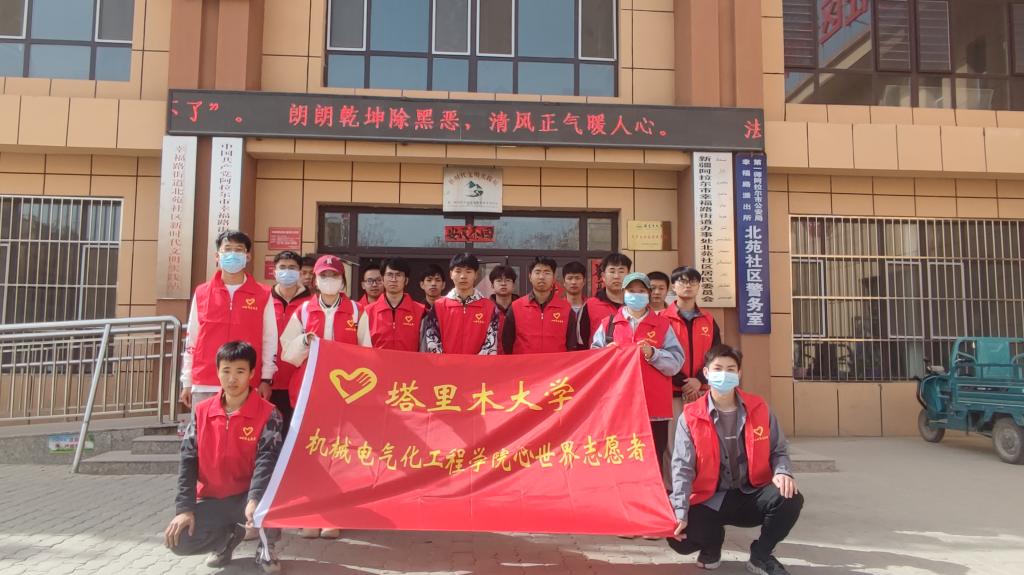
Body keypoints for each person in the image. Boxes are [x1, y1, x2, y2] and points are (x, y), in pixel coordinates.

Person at [668, 345, 802, 575]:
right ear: (706, 373)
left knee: (789, 497)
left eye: (730, 369)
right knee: (677, 537)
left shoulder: (759, 407)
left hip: (750, 493)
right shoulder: (690, 416)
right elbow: (682, 467)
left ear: (739, 373)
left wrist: (782, 471)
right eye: (718, 368)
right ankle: (711, 545)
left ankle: (761, 555)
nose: (724, 374)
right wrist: (679, 510)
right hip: (710, 498)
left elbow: (779, 449)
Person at [164, 341, 284, 573]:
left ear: (251, 373)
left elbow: (267, 461)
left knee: (271, 500)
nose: (232, 379)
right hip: (213, 498)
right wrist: (184, 509)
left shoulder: (269, 414)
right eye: (226, 371)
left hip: (249, 497)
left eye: (240, 371)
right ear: (217, 372)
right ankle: (226, 539)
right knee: (179, 539)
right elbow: (188, 460)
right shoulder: (202, 412)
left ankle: (266, 546)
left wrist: (255, 499)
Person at [279, 255, 360, 540]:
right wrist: (304, 341)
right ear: (315, 280)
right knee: (309, 454)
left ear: (342, 280)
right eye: (324, 275)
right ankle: (310, 514)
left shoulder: (356, 311)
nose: (329, 280)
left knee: (338, 455)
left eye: (334, 275)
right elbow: (287, 351)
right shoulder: (303, 311)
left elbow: (367, 351)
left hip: (343, 395)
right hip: (308, 391)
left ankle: (333, 515)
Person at [591, 272, 683, 491]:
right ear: (623, 293)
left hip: (654, 409)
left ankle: (651, 501)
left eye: (641, 291)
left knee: (653, 459)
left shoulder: (662, 325)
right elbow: (592, 363)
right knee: (619, 457)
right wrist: (606, 354)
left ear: (649, 294)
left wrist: (653, 354)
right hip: (617, 408)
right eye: (631, 291)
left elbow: (676, 363)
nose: (636, 295)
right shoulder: (609, 325)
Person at [180, 230, 277, 410]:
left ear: (248, 256)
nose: (233, 254)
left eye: (239, 250)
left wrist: (266, 378)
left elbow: (270, 339)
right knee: (204, 428)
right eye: (228, 249)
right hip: (205, 382)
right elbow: (192, 338)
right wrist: (187, 380)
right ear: (217, 256)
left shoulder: (263, 294)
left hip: (246, 383)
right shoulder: (202, 293)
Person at [420, 253, 500, 355]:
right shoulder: (438, 306)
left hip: (478, 365)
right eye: (458, 271)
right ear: (451, 274)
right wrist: (446, 362)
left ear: (476, 275)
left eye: (468, 271)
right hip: (445, 365)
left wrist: (475, 363)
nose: (463, 276)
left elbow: (491, 344)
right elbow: (432, 340)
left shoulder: (490, 307)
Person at [269, 251, 313, 436]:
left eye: (292, 268)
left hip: (300, 384)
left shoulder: (311, 304)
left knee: (294, 436)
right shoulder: (264, 300)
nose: (287, 271)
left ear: (300, 272)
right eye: (283, 267)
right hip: (267, 383)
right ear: (274, 271)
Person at [503, 257, 576, 354]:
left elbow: (572, 345)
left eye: (547, 273)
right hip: (525, 363)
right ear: (530, 276)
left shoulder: (566, 309)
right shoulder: (516, 307)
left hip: (557, 363)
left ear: (554, 277)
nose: (541, 277)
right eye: (537, 272)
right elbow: (507, 343)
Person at [357, 257, 426, 351]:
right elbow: (362, 349)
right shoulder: (369, 312)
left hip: (410, 361)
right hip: (377, 361)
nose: (393, 279)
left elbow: (425, 350)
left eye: (398, 275)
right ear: (382, 279)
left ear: (406, 280)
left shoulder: (421, 311)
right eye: (389, 274)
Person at [577, 252, 631, 346]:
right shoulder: (590, 305)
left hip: (630, 355)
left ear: (629, 276)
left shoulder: (638, 305)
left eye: (621, 271)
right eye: (612, 271)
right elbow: (581, 342)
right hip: (599, 355)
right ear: (603, 276)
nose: (616, 276)